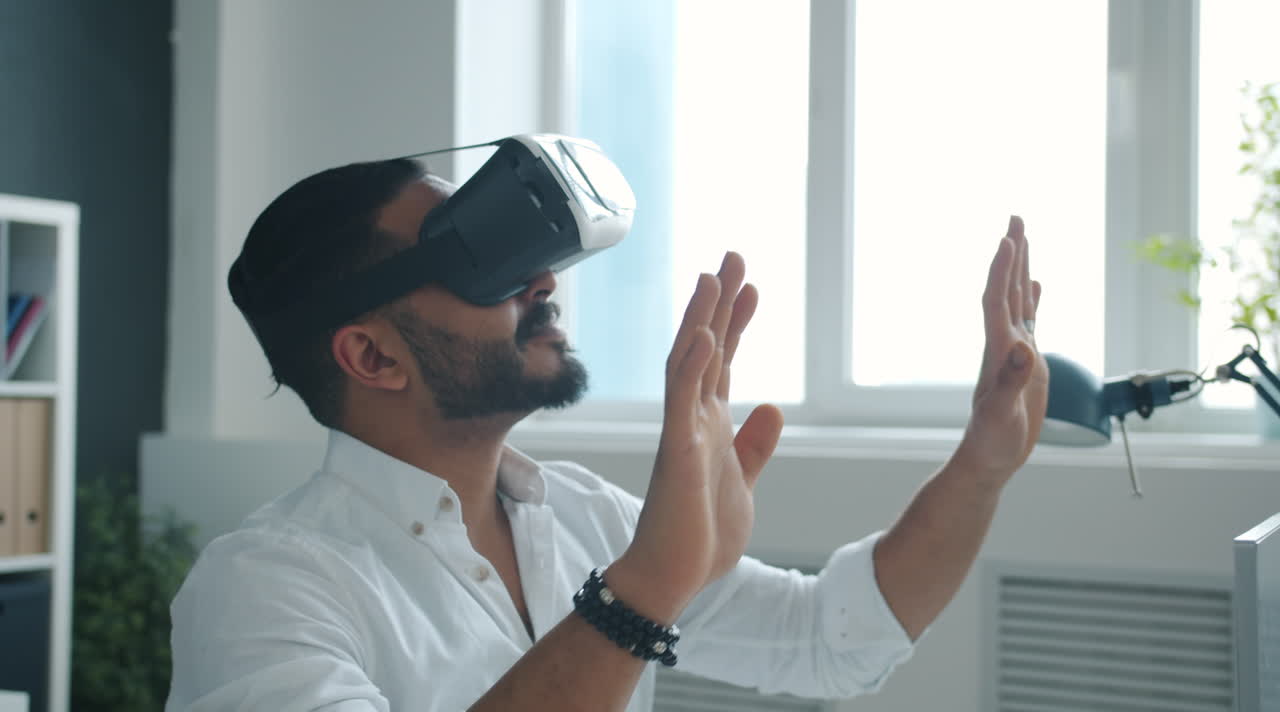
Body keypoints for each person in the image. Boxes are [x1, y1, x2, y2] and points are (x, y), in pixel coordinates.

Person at [165, 156, 1047, 712]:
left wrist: (982, 466)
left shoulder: (583, 516)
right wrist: (646, 590)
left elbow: (830, 638)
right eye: (480, 261)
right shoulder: (265, 589)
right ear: (372, 355)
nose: (543, 281)